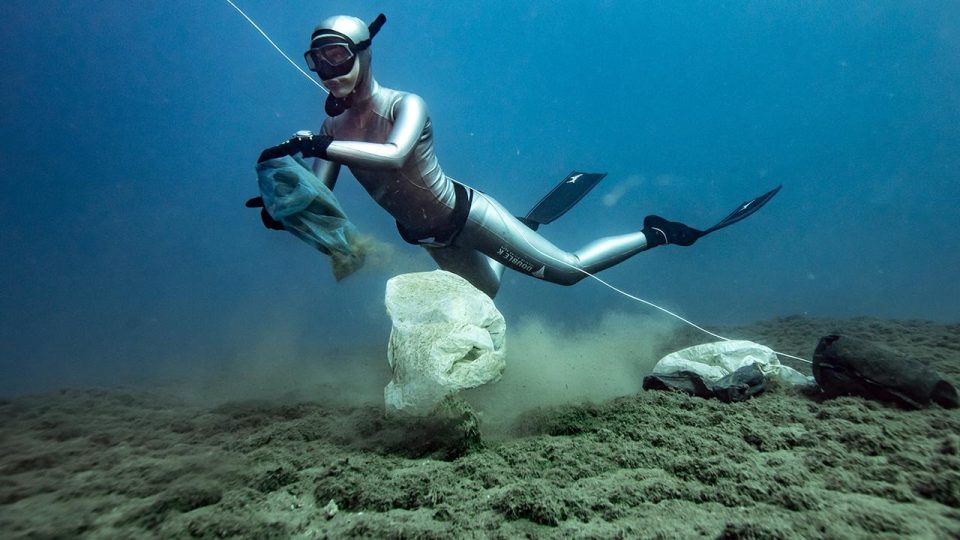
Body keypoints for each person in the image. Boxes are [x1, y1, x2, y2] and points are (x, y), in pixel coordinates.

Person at [248, 14, 778, 298]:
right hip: (431, 236)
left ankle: (657, 232)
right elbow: (322, 194)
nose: (327, 68)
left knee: (567, 274)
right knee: (487, 294)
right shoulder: (331, 126)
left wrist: (317, 144)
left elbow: (392, 156)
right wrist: (282, 209)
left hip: (467, 216)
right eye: (318, 59)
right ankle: (524, 230)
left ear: (363, 53)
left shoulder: (405, 104)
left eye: (337, 54)